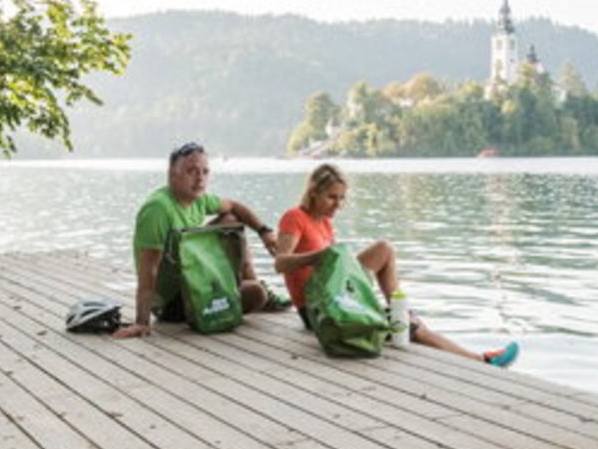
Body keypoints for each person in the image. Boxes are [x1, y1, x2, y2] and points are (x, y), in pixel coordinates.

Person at [273, 162, 520, 367]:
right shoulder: (295, 217)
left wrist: (332, 258)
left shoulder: (324, 222)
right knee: (413, 329)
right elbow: (280, 263)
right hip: (318, 309)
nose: (338, 204)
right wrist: (320, 255)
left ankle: (400, 310)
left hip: (334, 294)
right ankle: (481, 360)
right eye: (331, 197)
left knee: (384, 249)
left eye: (341, 198)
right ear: (313, 192)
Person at [113, 141, 286, 339]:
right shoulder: (157, 210)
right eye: (192, 171)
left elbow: (235, 206)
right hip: (171, 303)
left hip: (195, 279)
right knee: (256, 294)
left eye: (205, 172)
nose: (200, 178)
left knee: (230, 221)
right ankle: (256, 290)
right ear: (172, 173)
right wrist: (142, 322)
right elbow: (148, 271)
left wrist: (264, 232)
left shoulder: (199, 199)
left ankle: (251, 282)